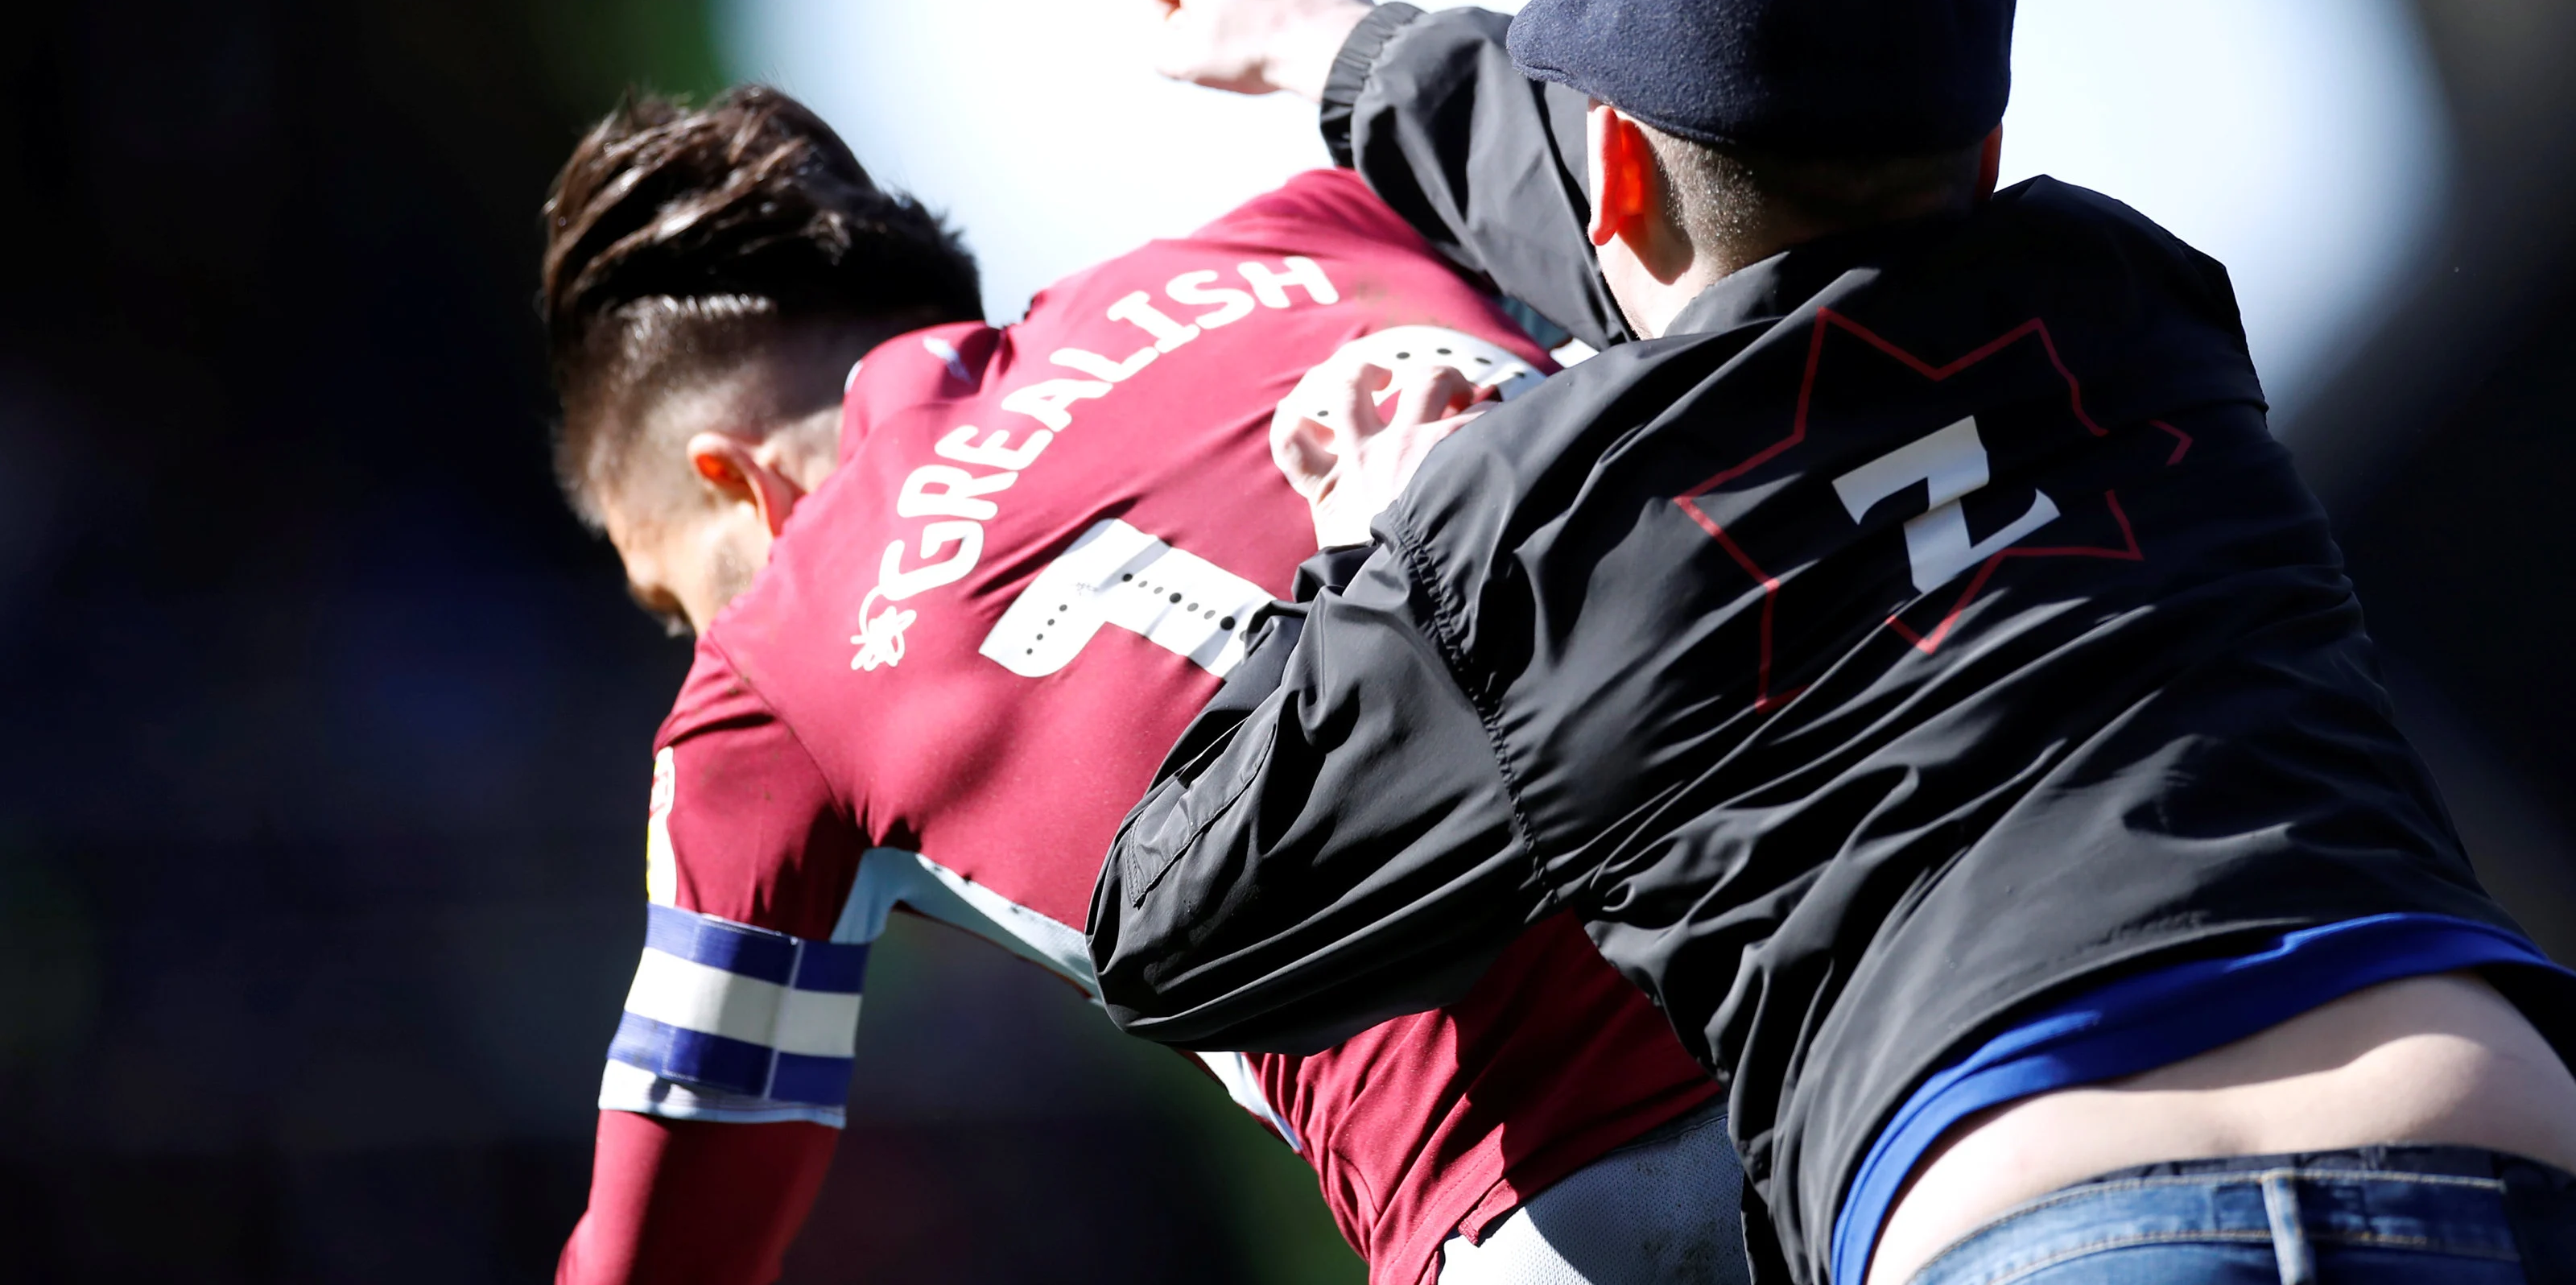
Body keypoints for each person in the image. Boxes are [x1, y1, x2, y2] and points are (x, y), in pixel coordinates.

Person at [1088, 0, 2576, 1285]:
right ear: (1982, 148)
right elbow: (1735, 239)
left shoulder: (1527, 523)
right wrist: (1350, 54)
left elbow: (1177, 937)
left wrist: (1374, 537)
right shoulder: (2139, 314)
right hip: (2504, 1156)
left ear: (1613, 170)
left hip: (2035, 1213)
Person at [540, 86, 1746, 1284]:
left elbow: (658, 1256)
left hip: (1562, 1196)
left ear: (741, 485)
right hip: (1870, 988)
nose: (697, 638)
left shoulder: (766, 670)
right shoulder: (1318, 228)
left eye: (674, 603)